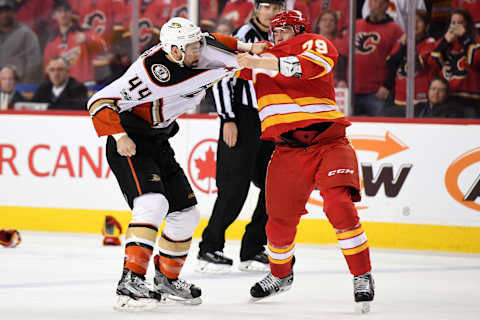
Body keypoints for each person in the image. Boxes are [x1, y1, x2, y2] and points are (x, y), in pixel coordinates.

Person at [87, 17, 265, 310]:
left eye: (196, 45)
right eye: (191, 47)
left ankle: (166, 279)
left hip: (158, 140)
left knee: (186, 214)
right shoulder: (151, 74)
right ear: (174, 51)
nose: (199, 50)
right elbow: (100, 101)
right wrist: (118, 136)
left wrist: (247, 46)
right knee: (153, 203)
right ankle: (130, 281)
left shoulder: (193, 48)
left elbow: (213, 40)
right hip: (131, 141)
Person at [236, 10, 374, 312]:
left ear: (300, 30)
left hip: (329, 142)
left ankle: (361, 274)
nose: (279, 35)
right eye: (275, 31)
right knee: (278, 224)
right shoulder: (262, 55)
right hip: (287, 150)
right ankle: (280, 275)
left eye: (285, 30)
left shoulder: (315, 43)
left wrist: (258, 59)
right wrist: (239, 49)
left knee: (339, 205)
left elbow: (309, 67)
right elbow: (217, 65)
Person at [197, 0, 284, 273]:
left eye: (277, 7)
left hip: (270, 121)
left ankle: (253, 248)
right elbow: (224, 76)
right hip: (242, 118)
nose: (272, 12)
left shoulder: (283, 38)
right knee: (234, 188)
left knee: (274, 186)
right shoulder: (244, 37)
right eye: (267, 7)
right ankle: (209, 248)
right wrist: (228, 118)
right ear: (257, 9)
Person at [351, 0, 404, 116]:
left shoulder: (395, 30)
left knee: (378, 128)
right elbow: (343, 55)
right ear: (369, 4)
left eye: (381, 3)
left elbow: (398, 61)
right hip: (352, 90)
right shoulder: (356, 25)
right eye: (374, 2)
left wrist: (387, 85)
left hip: (377, 92)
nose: (377, 5)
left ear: (387, 6)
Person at [383, 10, 437, 117]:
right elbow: (391, 64)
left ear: (426, 26)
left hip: (420, 99)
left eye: (419, 21)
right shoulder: (402, 42)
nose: (415, 24)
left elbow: (419, 65)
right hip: (399, 98)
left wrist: (409, 43)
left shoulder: (429, 42)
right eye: (412, 22)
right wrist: (403, 45)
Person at [430, 8, 480, 118]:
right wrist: (445, 43)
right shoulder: (442, 42)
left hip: (470, 100)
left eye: (460, 23)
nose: (456, 26)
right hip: (445, 99)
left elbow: (476, 61)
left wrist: (466, 39)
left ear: (467, 24)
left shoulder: (476, 42)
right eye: (453, 23)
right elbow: (432, 65)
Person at [43, 0, 106, 83]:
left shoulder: (85, 32)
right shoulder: (51, 42)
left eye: (66, 10)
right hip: (63, 87)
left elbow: (102, 49)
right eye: (59, 11)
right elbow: (46, 70)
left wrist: (87, 39)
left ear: (71, 13)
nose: (63, 14)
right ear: (54, 15)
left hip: (86, 84)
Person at [0, 0, 42, 83]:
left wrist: (24, 84)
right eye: (1, 12)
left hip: (19, 85)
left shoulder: (26, 33)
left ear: (14, 12)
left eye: (8, 11)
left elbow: (34, 62)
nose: (4, 15)